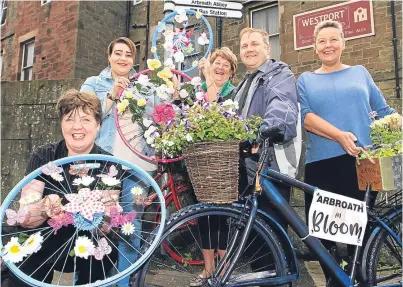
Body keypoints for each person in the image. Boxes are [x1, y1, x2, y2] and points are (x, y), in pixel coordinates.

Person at [298, 20, 397, 286]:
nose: (328, 45)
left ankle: (364, 280)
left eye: (333, 39)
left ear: (343, 42)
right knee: (324, 235)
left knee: (359, 231)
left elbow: (384, 111)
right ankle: (335, 281)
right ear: (315, 48)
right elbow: (305, 117)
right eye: (322, 41)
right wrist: (339, 136)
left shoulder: (360, 72)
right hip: (322, 164)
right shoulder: (305, 80)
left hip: (362, 162)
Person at [3, 90, 118, 286]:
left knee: (107, 251)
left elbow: (107, 226)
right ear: (61, 124)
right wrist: (45, 206)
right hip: (42, 236)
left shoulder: (110, 164)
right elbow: (26, 216)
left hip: (88, 242)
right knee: (18, 273)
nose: (77, 127)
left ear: (98, 125)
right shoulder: (43, 156)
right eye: (69, 119)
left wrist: (99, 210)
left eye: (86, 119)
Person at [80, 37, 156, 287]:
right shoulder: (94, 83)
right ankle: (89, 280)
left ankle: (122, 282)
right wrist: (111, 95)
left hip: (136, 166)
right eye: (118, 53)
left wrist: (173, 93)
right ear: (109, 56)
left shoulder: (144, 84)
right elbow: (84, 117)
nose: (123, 59)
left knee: (131, 228)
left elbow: (159, 115)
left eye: (129, 55)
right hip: (104, 166)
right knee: (95, 223)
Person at [231, 27, 300, 283]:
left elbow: (281, 105)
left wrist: (266, 129)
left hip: (272, 168)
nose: (249, 49)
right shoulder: (243, 84)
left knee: (275, 238)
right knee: (255, 242)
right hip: (247, 169)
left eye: (254, 44)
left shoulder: (278, 74)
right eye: (244, 46)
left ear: (267, 48)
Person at [188, 47, 238, 287]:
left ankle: (225, 268)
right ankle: (208, 269)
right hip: (201, 161)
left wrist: (208, 80)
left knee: (222, 216)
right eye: (216, 62)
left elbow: (215, 110)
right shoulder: (197, 90)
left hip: (224, 163)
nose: (219, 67)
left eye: (225, 65)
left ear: (231, 73)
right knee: (204, 216)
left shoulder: (233, 93)